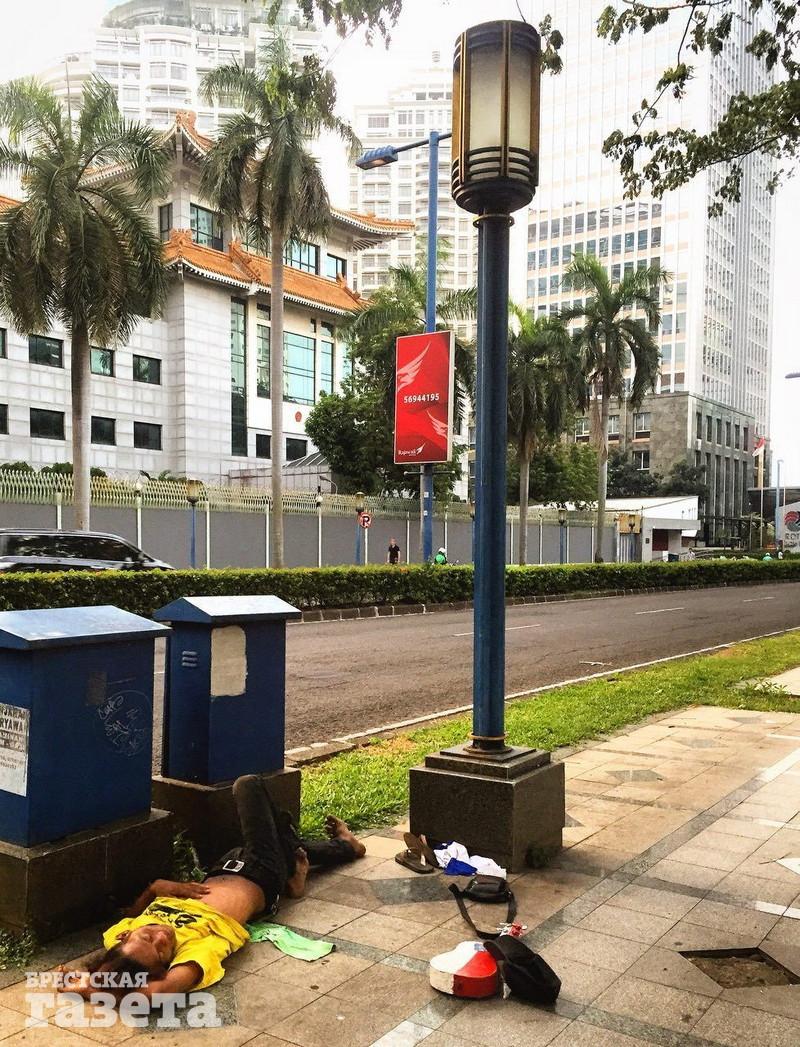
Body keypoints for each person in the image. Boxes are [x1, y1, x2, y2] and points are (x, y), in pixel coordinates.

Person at [73, 776, 366, 1002]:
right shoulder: (195, 952)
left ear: (125, 935)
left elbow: (127, 919)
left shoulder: (122, 935)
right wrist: (90, 991)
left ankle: (334, 851)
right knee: (248, 785)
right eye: (161, 950)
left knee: (282, 846)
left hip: (223, 867)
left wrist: (155, 889)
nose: (162, 936)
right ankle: (296, 864)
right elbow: (160, 992)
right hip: (262, 874)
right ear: (163, 967)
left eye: (148, 935)